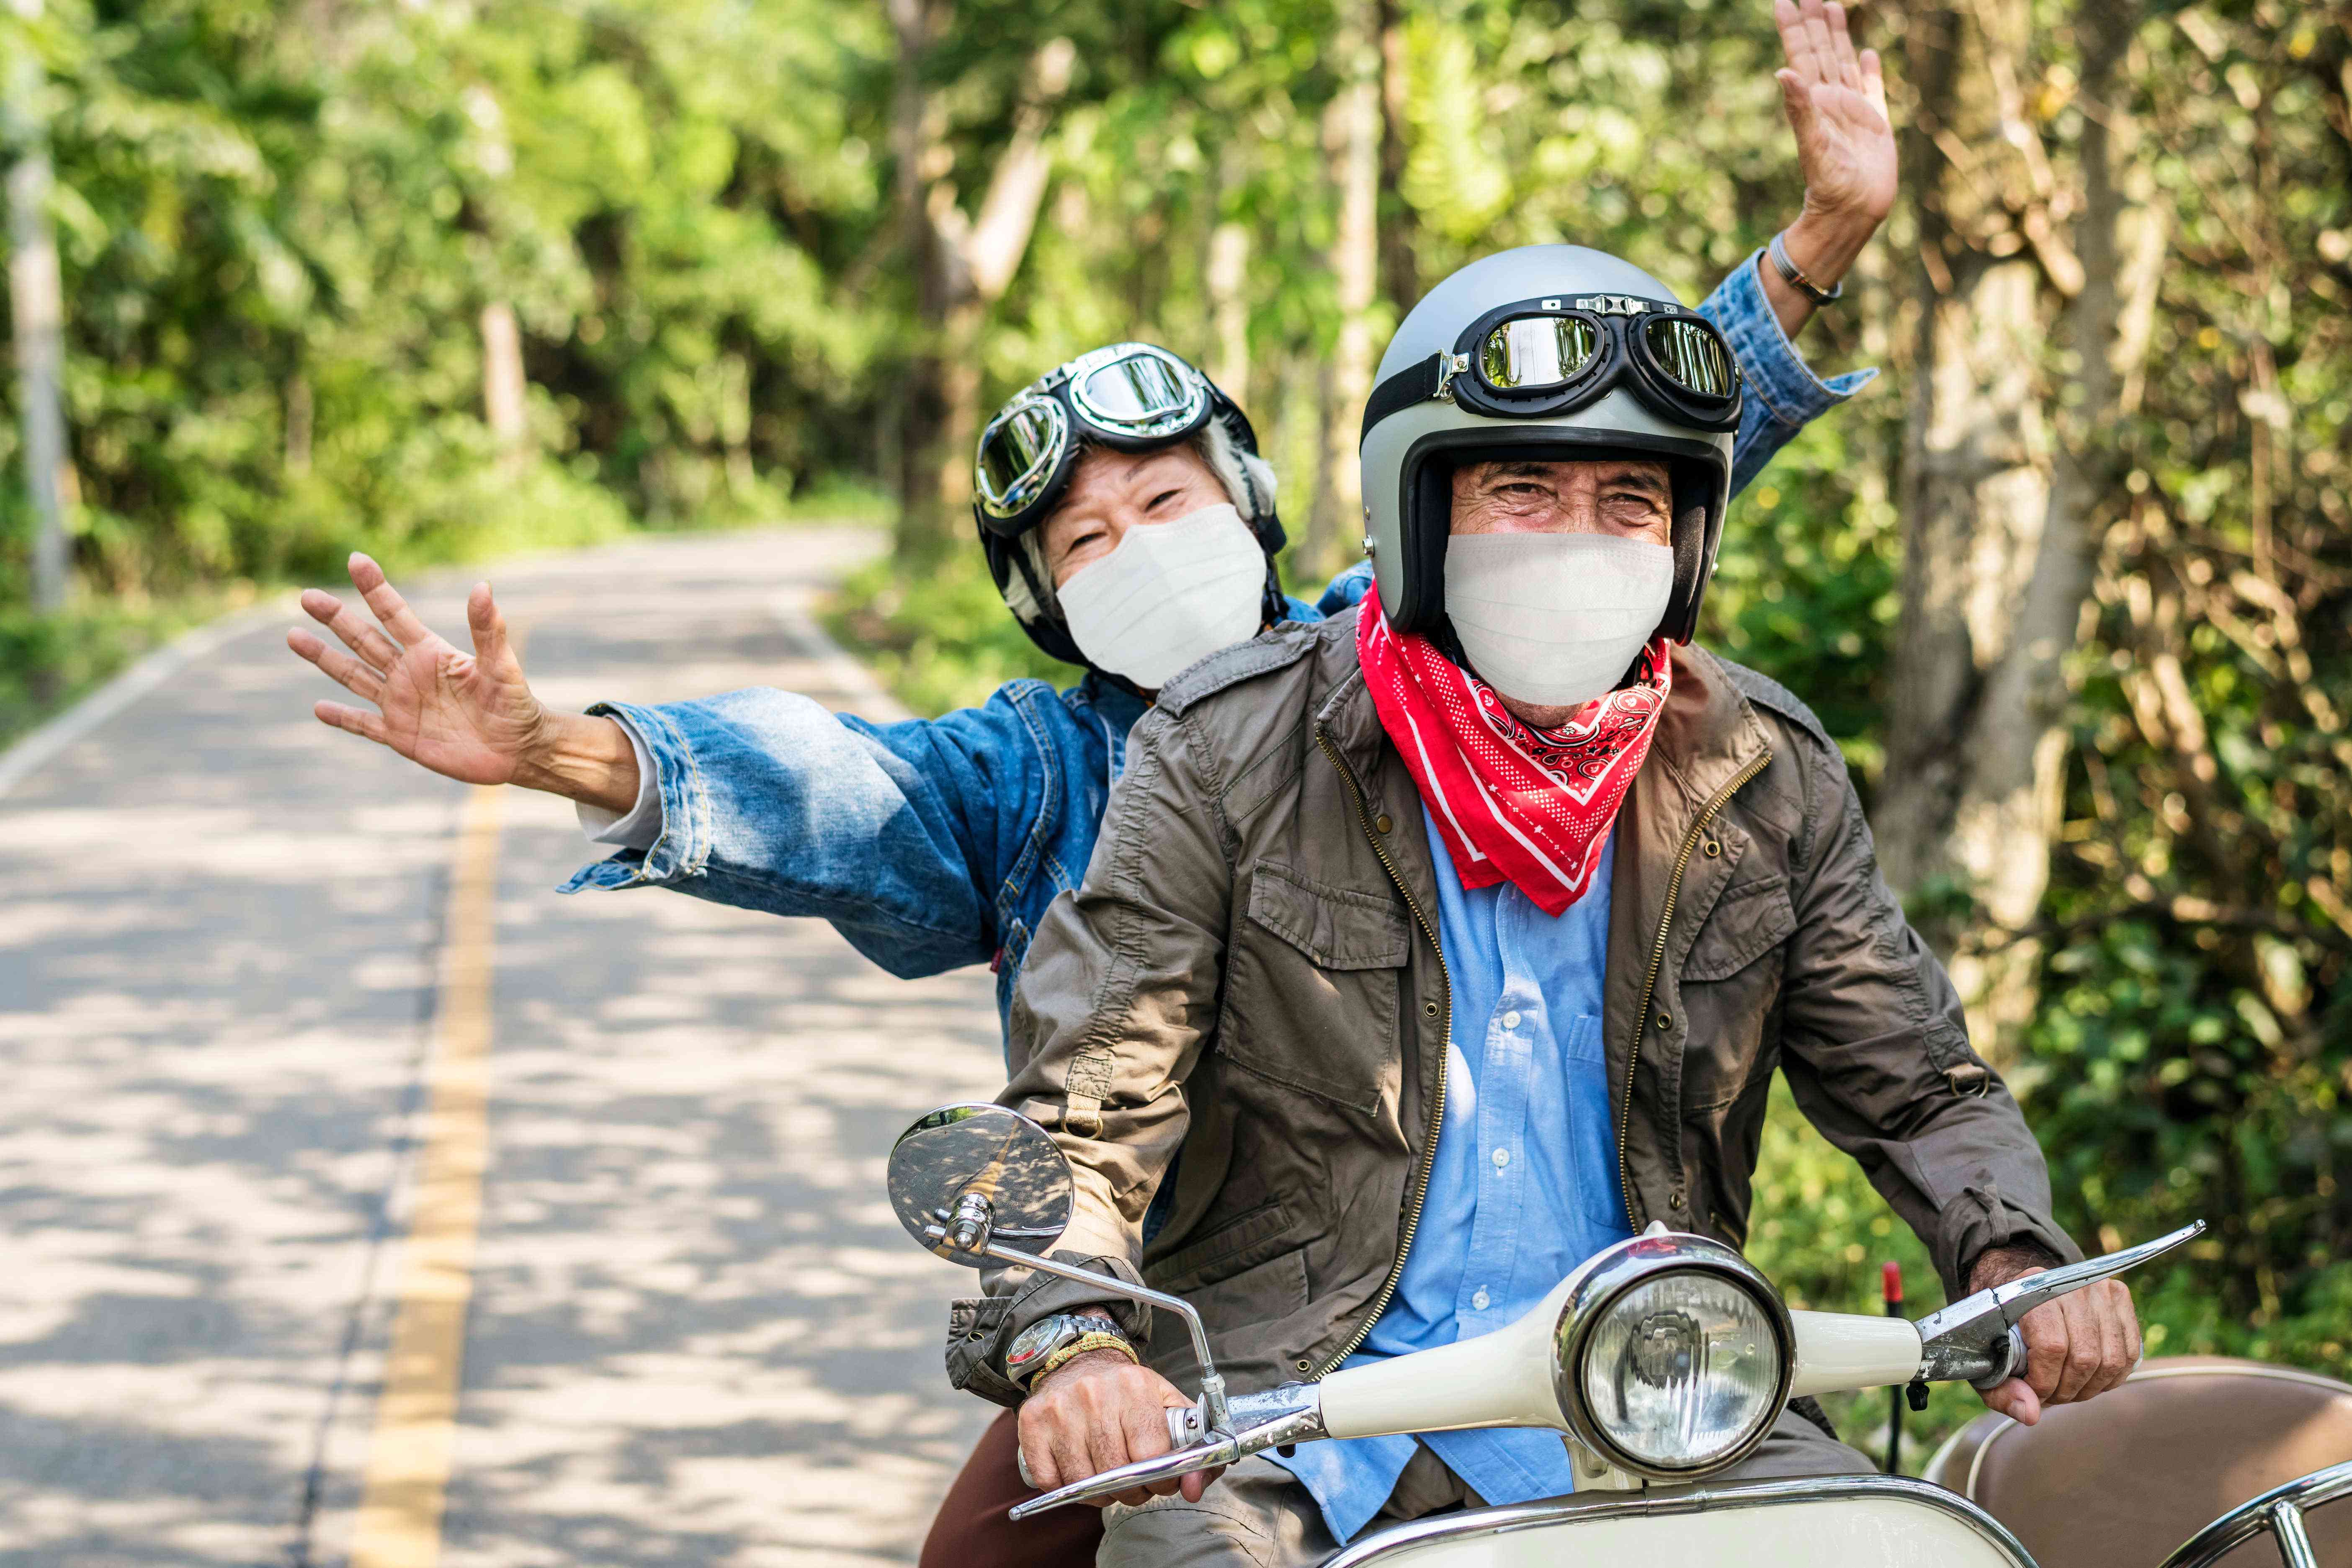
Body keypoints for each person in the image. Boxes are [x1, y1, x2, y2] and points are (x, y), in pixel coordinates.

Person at [283, 8, 1894, 1559]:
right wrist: (562, 747)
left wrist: (1813, 247)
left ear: (1260, 509)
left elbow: (1598, 460)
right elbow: (826, 784)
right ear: (1049, 598)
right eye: (1085, 539)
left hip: (1547, 1312)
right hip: (1168, 1318)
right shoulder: (1028, 770)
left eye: (1168, 498)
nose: (1138, 549)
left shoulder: (1400, 661)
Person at [976, 261, 2145, 1568]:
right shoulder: (1222, 750)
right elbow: (1086, 1110)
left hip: (1675, 1389)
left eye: (1628, 500)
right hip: (1302, 1412)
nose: (1576, 535)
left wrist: (2013, 1258)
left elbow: (1916, 1083)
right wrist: (1078, 1339)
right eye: (1522, 489)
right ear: (1415, 512)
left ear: (1683, 538)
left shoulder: (1761, 770)